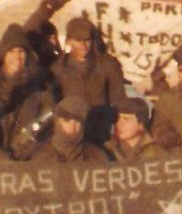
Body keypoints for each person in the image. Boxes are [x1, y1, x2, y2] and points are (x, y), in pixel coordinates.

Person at [0, 23, 54, 156]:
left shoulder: (39, 84)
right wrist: (8, 87)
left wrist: (26, 144)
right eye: (11, 51)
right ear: (3, 55)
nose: (16, 57)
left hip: (29, 156)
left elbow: (48, 118)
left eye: (21, 51)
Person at [50, 17, 126, 145]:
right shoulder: (58, 69)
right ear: (68, 41)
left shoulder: (107, 65)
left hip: (101, 132)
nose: (84, 46)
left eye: (87, 40)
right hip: (70, 133)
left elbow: (119, 100)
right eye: (78, 41)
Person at [29, 96, 108, 163]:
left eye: (78, 122)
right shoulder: (41, 157)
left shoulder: (95, 156)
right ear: (57, 122)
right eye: (67, 121)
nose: (72, 126)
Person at [104, 97, 165, 163]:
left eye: (127, 119)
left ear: (141, 125)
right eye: (118, 118)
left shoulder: (156, 151)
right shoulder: (106, 150)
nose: (120, 124)